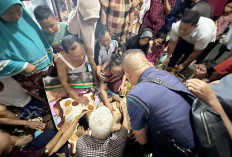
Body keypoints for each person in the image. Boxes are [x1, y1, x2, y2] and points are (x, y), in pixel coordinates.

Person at [122, 49, 195, 156]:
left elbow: (142, 140)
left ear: (127, 75)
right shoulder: (167, 75)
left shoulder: (135, 96)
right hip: (199, 133)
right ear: (148, 63)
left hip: (180, 150)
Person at [68, 0, 100, 85]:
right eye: (90, 19)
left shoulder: (96, 16)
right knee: (82, 65)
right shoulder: (73, 21)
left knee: (93, 61)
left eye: (95, 18)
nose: (93, 22)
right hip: (78, 44)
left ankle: (95, 79)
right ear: (82, 14)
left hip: (91, 42)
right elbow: (73, 42)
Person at [56, 35, 90, 105]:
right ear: (66, 53)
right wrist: (76, 97)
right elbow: (64, 82)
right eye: (75, 55)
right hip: (72, 82)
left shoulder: (85, 45)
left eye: (81, 52)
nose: (80, 56)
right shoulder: (61, 60)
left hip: (86, 75)